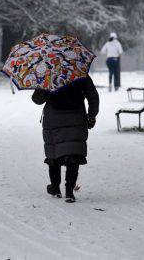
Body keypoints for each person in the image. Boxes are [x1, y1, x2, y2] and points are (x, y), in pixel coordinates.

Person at [32, 75, 99, 203]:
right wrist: (91, 116)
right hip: (76, 118)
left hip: (53, 119)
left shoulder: (49, 73)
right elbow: (93, 97)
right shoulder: (80, 72)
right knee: (74, 154)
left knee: (54, 153)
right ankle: (69, 192)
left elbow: (37, 99)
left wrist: (42, 84)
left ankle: (55, 188)